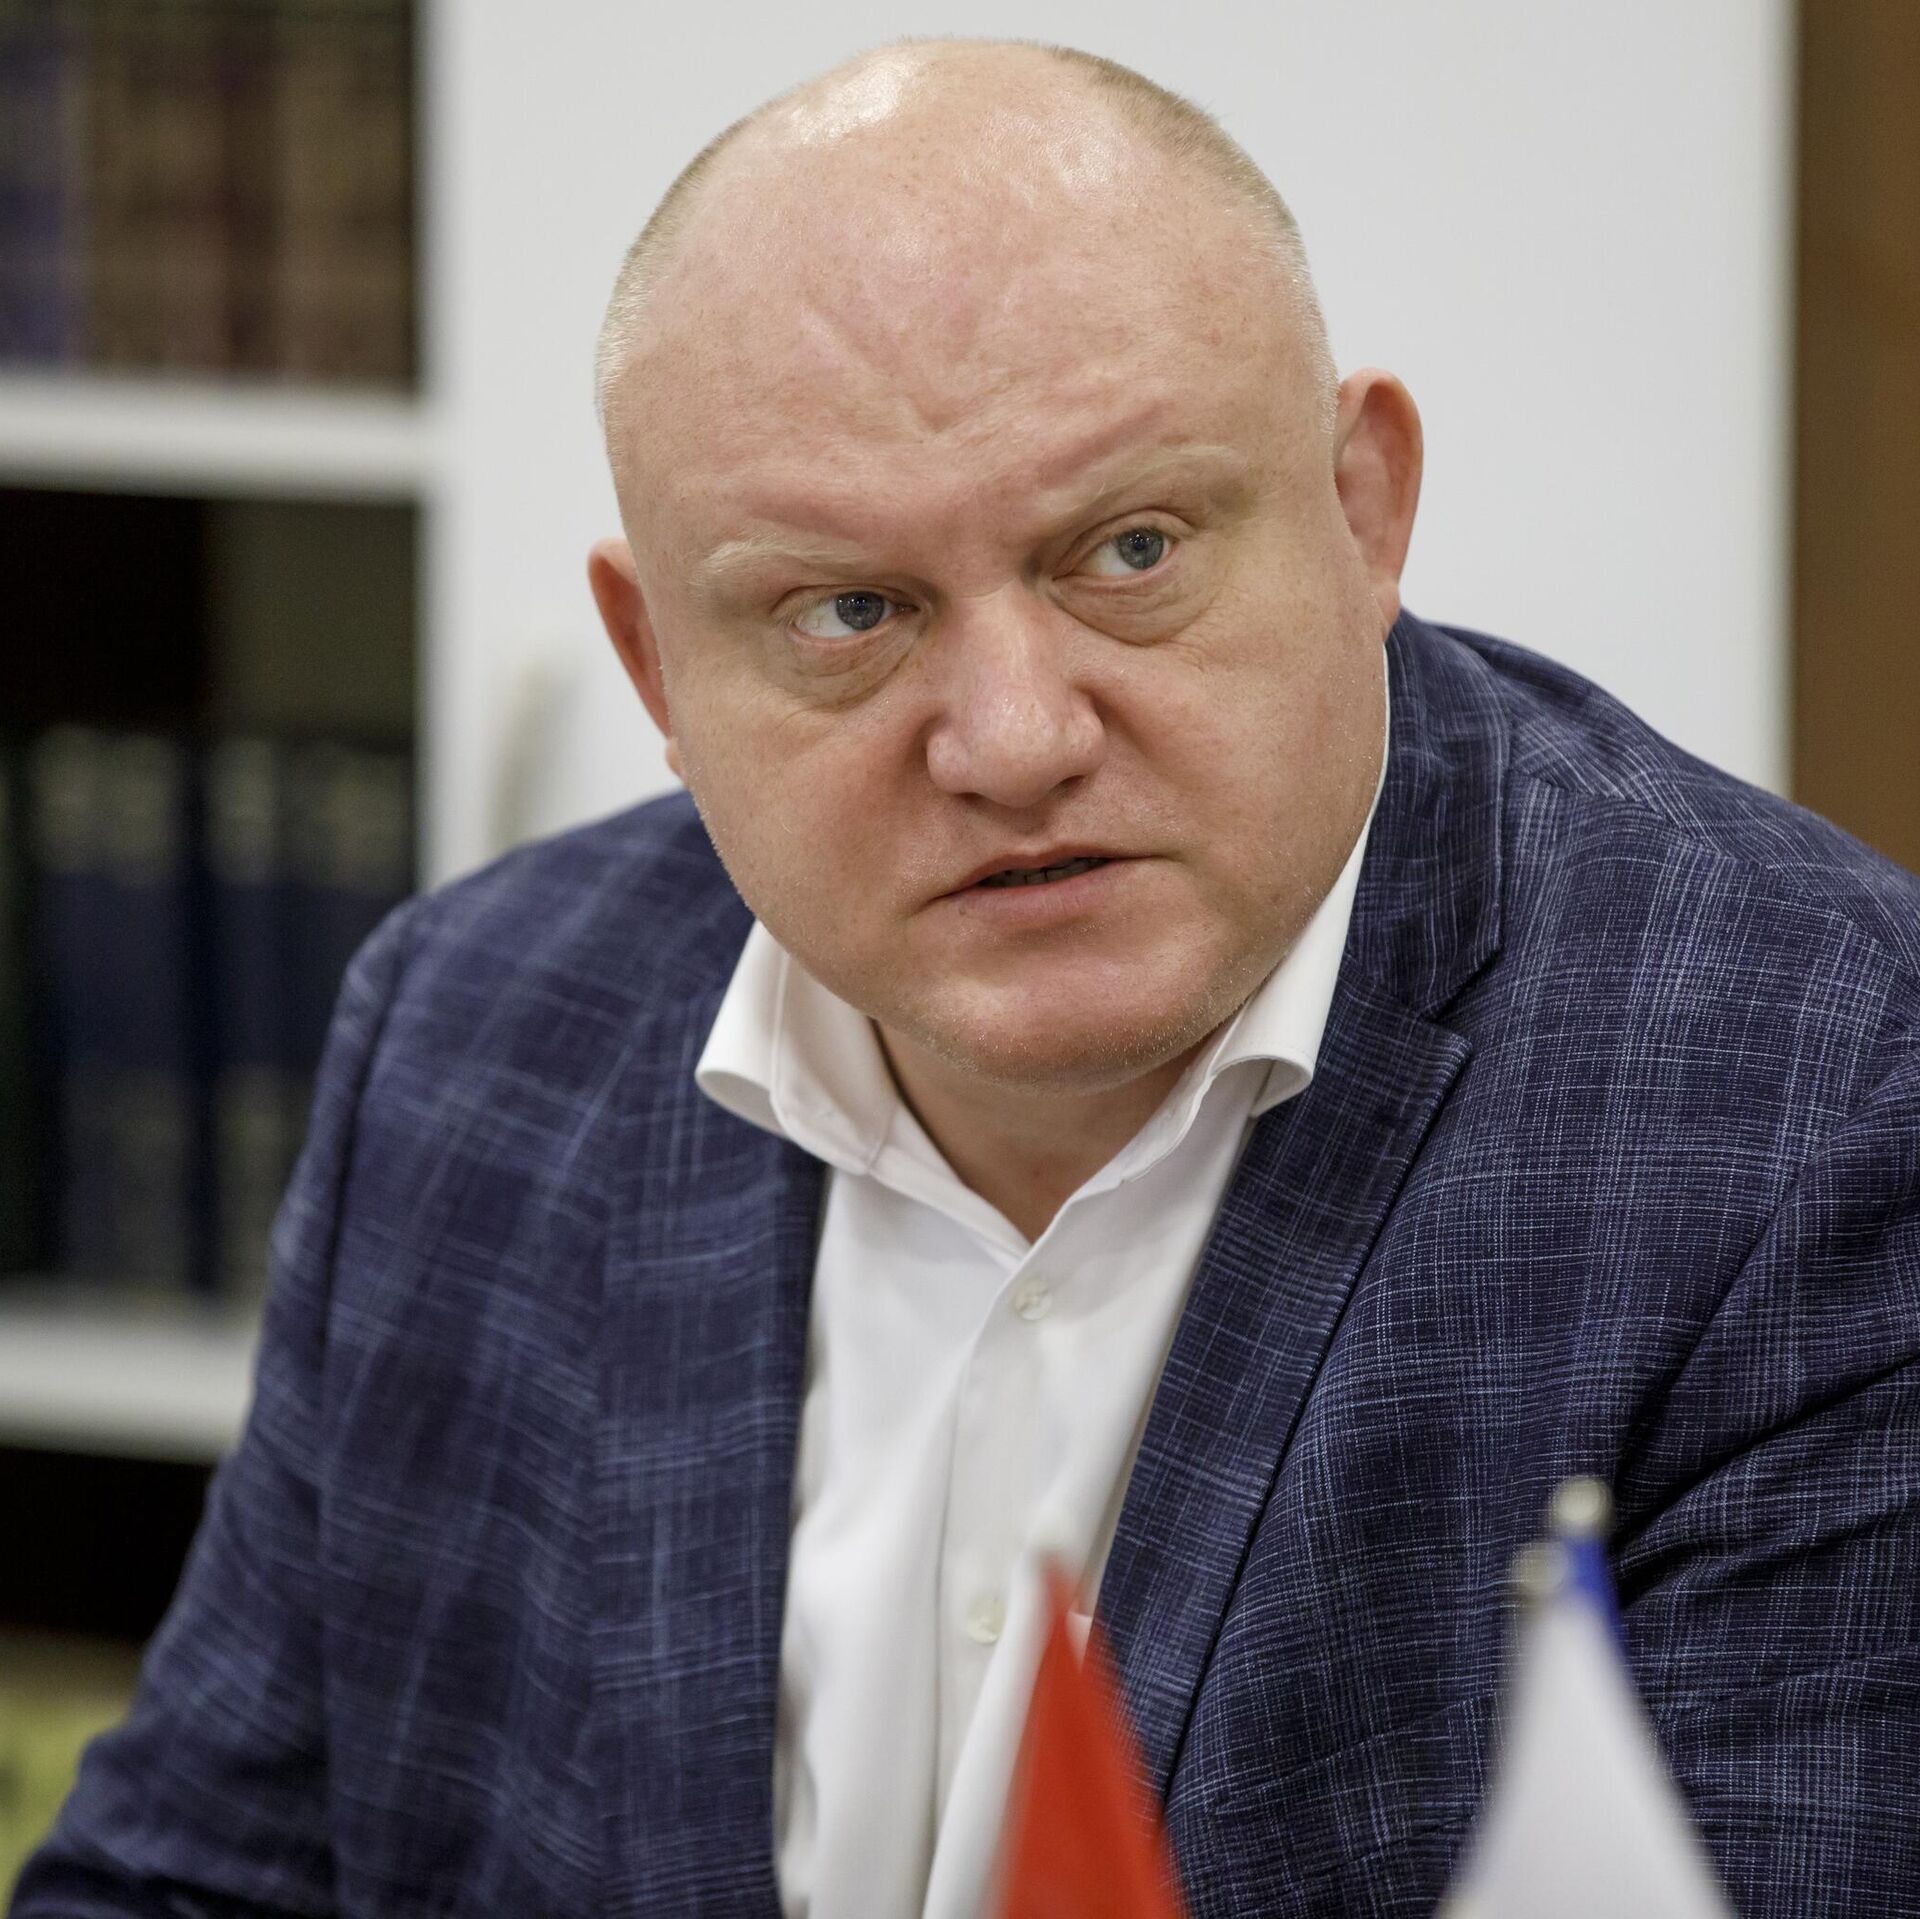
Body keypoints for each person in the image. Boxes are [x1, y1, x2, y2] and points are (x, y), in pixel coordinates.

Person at [14, 37, 1920, 1919]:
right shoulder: (474, 1030)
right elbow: (186, 1885)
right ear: (656, 665)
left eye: (1130, 551)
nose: (1012, 742)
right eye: (849, 611)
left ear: (1365, 510)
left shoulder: (1816, 1109)